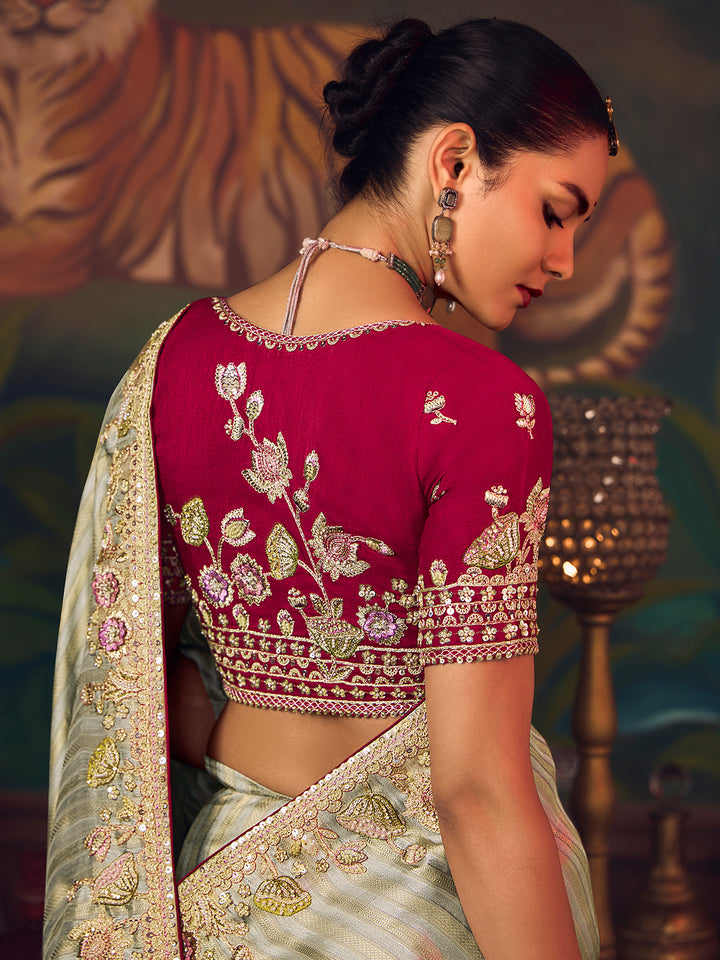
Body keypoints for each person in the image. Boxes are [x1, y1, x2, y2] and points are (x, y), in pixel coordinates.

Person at [44, 17, 616, 960]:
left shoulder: (172, 364)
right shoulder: (481, 405)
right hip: (425, 917)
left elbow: (147, 687)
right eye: (556, 211)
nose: (563, 261)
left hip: (222, 905)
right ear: (456, 163)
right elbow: (474, 789)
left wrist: (216, 730)